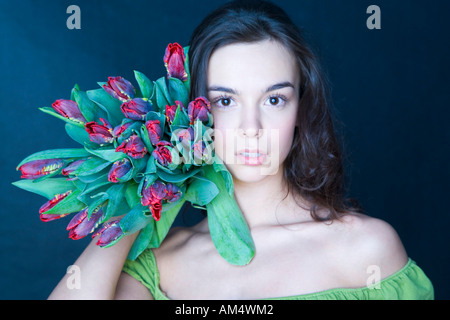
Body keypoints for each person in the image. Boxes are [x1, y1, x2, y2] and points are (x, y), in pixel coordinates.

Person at [48, 0, 434, 300]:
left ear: (301, 107)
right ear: (190, 110)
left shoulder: (367, 249)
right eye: (225, 102)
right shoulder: (161, 266)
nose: (252, 130)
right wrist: (136, 190)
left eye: (274, 100)